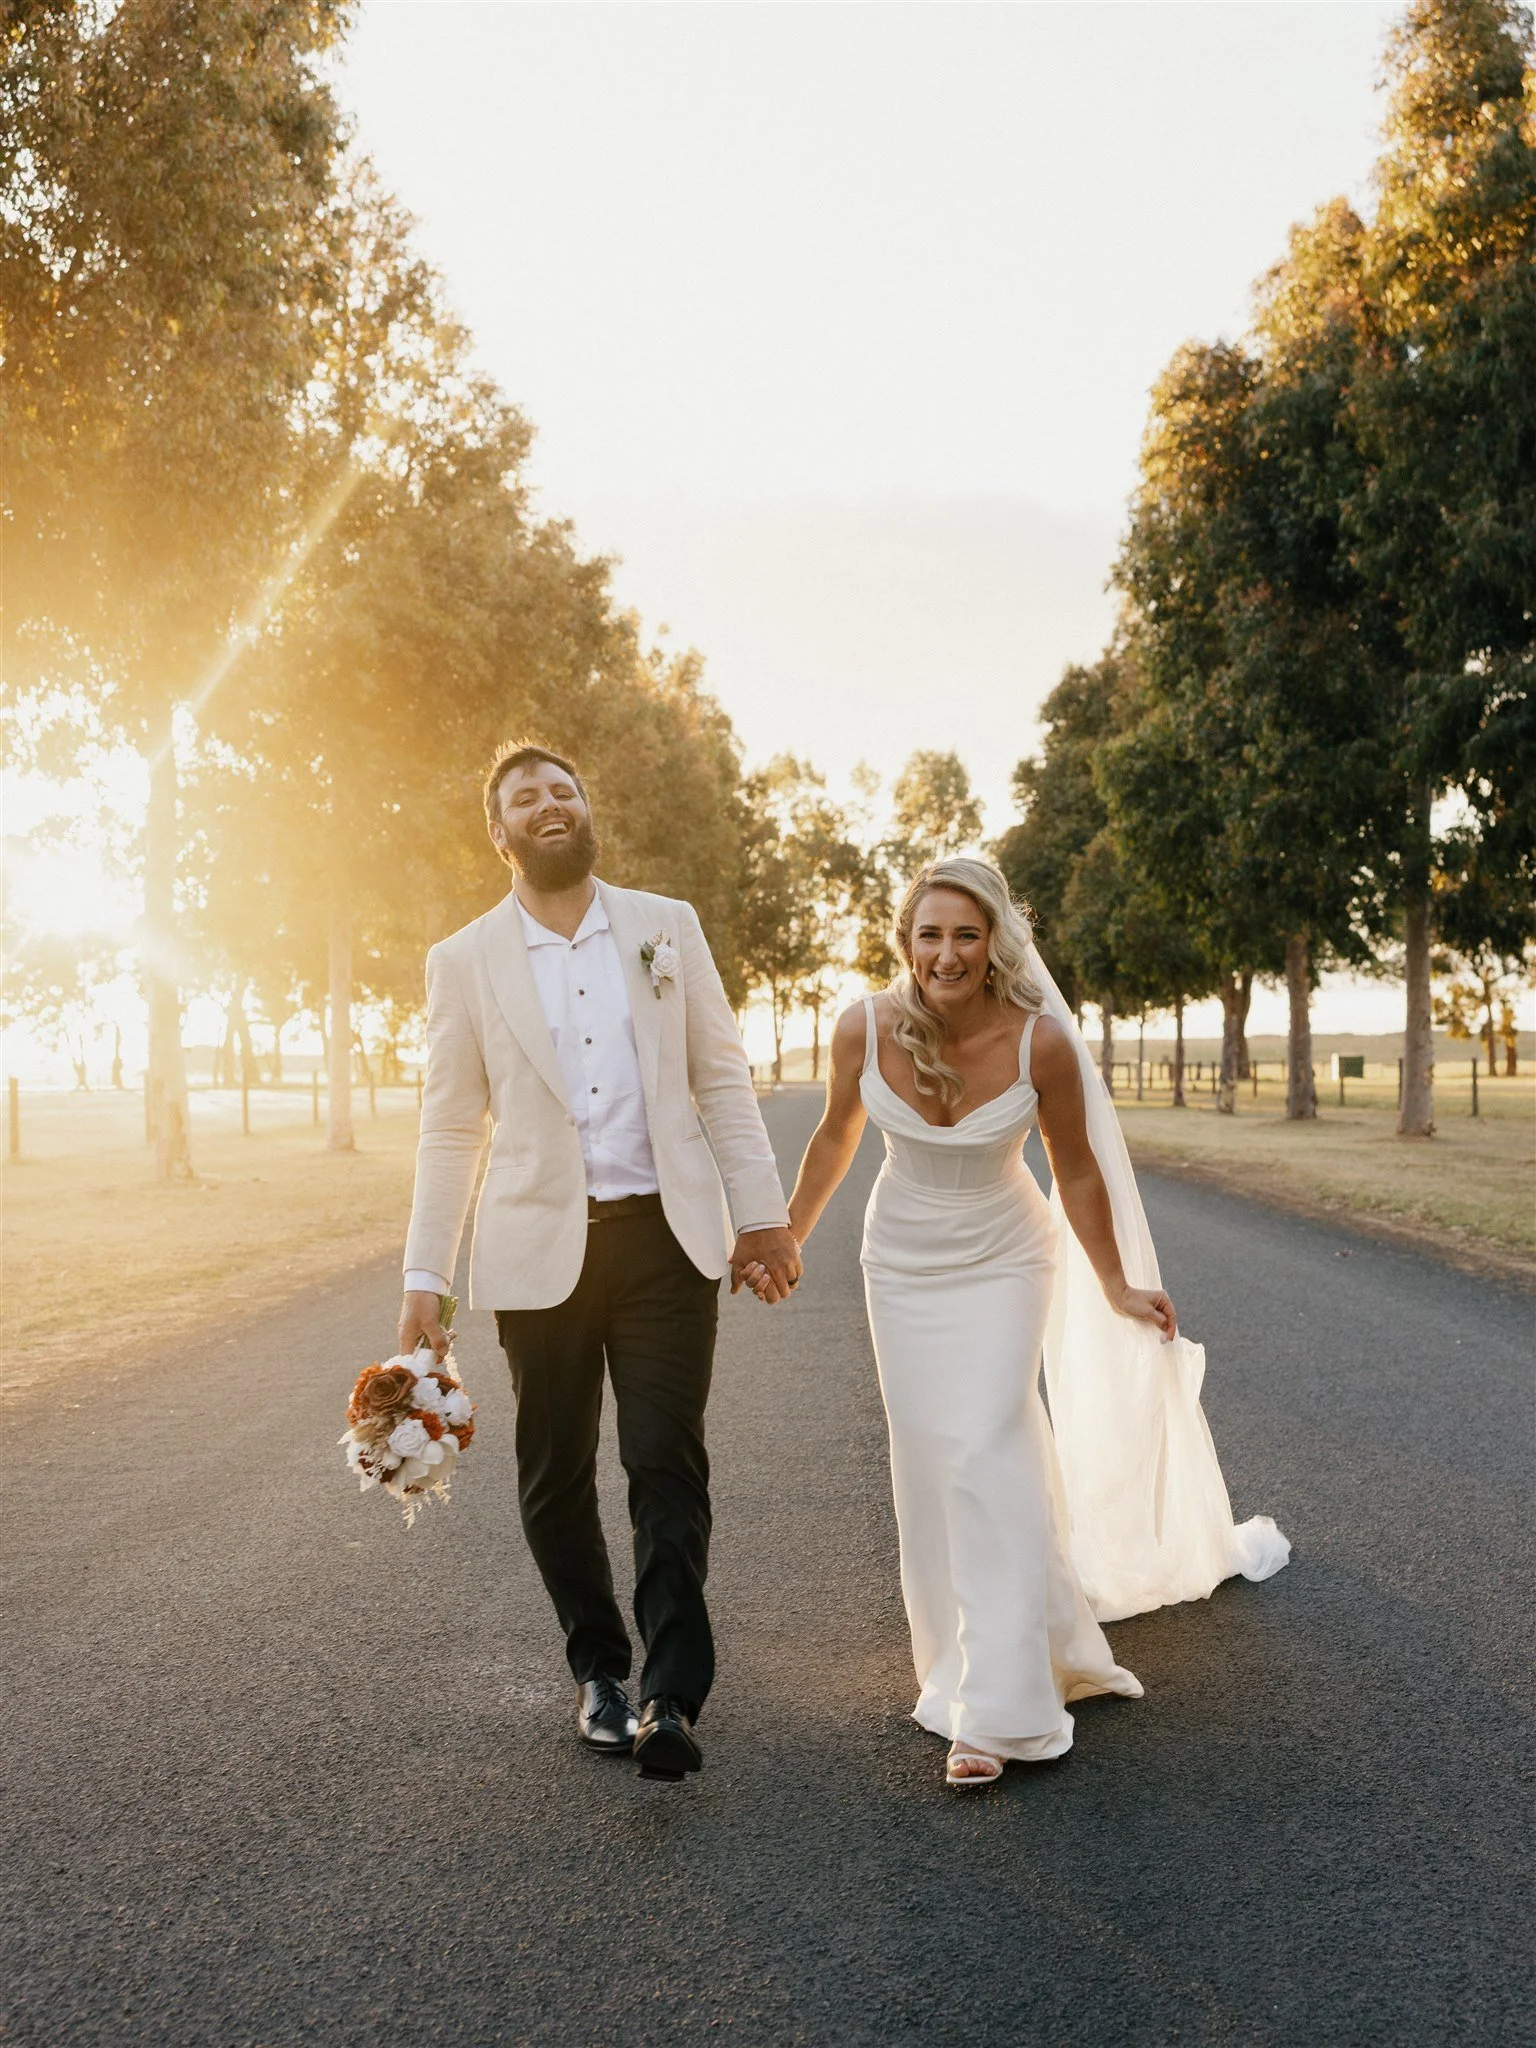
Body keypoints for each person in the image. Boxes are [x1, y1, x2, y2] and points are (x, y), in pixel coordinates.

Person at [746, 857, 1288, 1789]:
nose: (946, 953)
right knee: (929, 1460)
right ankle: (967, 1664)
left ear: (996, 940)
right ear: (905, 942)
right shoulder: (862, 1028)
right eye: (929, 934)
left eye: (966, 933)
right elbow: (837, 1135)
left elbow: (1074, 1171)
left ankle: (1000, 1711)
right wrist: (788, 1234)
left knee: (988, 1443)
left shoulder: (1041, 1043)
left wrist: (1117, 1283)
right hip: (901, 1262)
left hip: (1004, 1254)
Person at [399, 743, 802, 1782]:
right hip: (538, 1250)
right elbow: (450, 1129)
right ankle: (600, 1674)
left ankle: (672, 1690)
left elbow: (719, 1076)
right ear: (500, 834)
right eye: (525, 797)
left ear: (587, 812)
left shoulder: (666, 926)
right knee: (554, 1472)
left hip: (666, 1239)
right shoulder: (462, 959)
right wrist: (424, 1275)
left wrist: (761, 1215)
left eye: (564, 789)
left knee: (665, 1458)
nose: (549, 803)